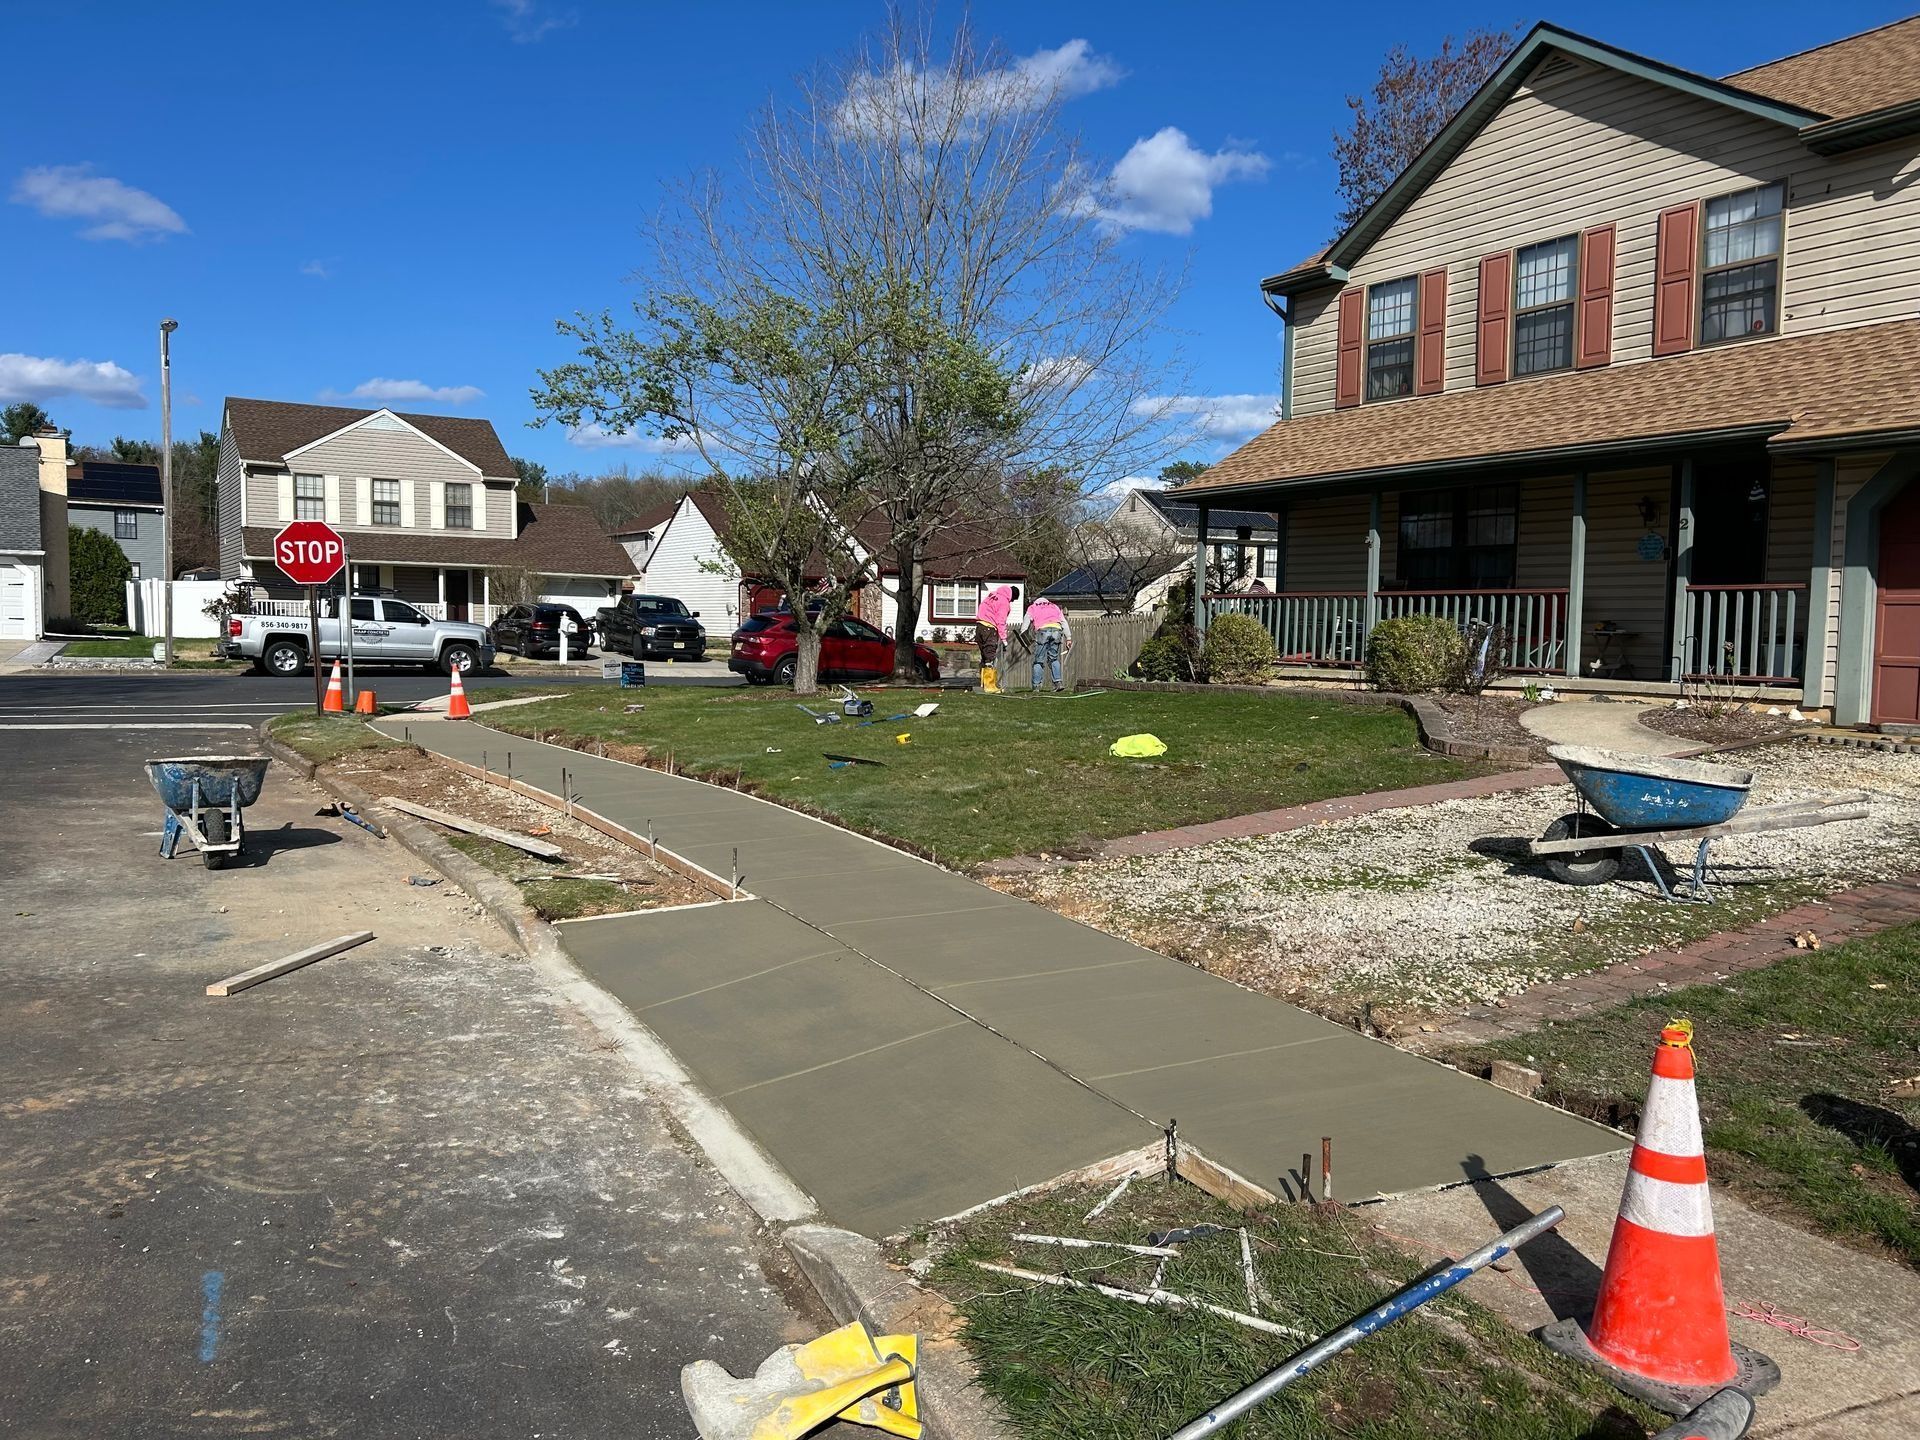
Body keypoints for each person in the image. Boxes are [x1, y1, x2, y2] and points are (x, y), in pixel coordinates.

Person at [974, 584, 1019, 694]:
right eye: (1013, 600)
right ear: (1012, 596)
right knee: (990, 657)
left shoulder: (992, 596)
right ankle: (990, 687)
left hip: (979, 627)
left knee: (985, 657)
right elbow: (1001, 621)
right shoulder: (1004, 602)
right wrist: (1004, 639)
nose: (1011, 602)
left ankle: (984, 685)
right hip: (989, 629)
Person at [1023, 596, 1073, 692]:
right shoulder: (1054, 606)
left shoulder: (1033, 607)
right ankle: (1058, 683)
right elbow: (1064, 622)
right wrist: (1069, 638)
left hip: (1042, 630)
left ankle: (1036, 686)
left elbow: (1026, 623)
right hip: (1057, 630)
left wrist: (1024, 635)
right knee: (1053, 658)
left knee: (1039, 660)